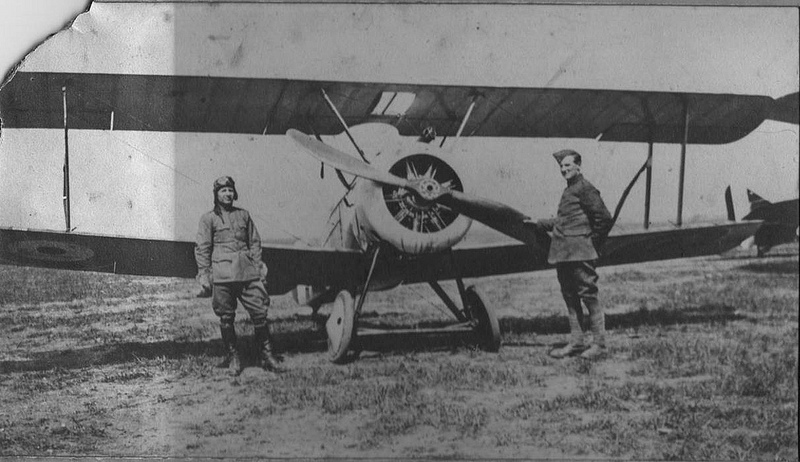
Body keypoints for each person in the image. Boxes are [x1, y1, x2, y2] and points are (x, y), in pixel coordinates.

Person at [195, 176, 283, 375]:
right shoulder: (208, 219)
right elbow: (202, 248)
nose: (227, 194)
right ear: (216, 195)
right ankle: (233, 357)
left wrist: (258, 264)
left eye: (230, 190)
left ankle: (267, 356)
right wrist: (204, 273)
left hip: (247, 273)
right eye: (223, 191)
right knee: (226, 318)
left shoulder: (244, 215)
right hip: (223, 275)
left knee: (260, 314)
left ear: (235, 193)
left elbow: (255, 242)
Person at [535, 150, 614, 359]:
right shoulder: (570, 190)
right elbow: (564, 221)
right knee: (570, 298)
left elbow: (604, 218)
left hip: (579, 253)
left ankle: (600, 346)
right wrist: (537, 224)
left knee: (589, 296)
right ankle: (577, 343)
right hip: (564, 253)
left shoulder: (585, 188)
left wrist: (590, 243)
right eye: (561, 166)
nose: (563, 170)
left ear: (578, 167)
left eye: (568, 166)